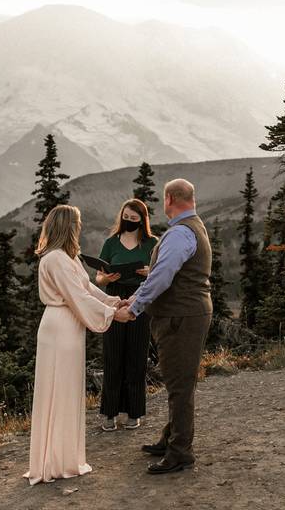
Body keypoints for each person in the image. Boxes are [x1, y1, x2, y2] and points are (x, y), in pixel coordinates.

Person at [23, 205, 131, 486]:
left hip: (67, 326)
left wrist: (112, 301)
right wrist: (112, 315)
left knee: (65, 389)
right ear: (68, 226)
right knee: (60, 389)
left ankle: (61, 457)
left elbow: (86, 289)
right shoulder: (56, 259)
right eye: (78, 223)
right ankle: (55, 462)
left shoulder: (66, 259)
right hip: (60, 327)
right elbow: (76, 297)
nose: (80, 227)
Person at [116, 179, 212, 475]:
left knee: (180, 386)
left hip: (181, 317)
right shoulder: (193, 226)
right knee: (177, 381)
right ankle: (171, 438)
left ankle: (181, 451)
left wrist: (134, 308)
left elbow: (161, 276)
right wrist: (133, 298)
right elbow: (159, 275)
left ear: (170, 198)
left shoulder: (180, 232)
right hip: (185, 314)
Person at [94, 199, 157, 431]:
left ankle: (134, 412)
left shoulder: (152, 243)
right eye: (126, 218)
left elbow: (162, 272)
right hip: (114, 298)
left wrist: (150, 271)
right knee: (113, 356)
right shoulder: (111, 243)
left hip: (141, 297)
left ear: (142, 220)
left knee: (136, 356)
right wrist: (106, 279)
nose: (129, 222)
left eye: (134, 219)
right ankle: (109, 414)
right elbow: (98, 278)